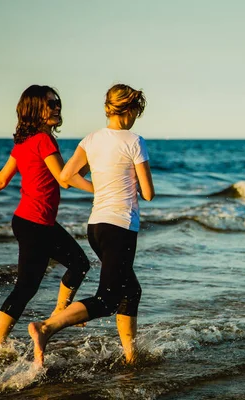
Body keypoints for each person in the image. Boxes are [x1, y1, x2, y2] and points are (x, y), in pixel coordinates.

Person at [0, 85, 93, 357]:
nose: (57, 107)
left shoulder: (26, 141)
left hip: (30, 222)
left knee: (72, 265)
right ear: (35, 110)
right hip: (35, 224)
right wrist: (101, 186)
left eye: (57, 102)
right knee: (34, 282)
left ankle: (53, 316)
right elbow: (65, 179)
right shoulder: (43, 140)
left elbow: (3, 179)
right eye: (50, 103)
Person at [28, 83, 155, 367]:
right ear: (130, 108)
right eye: (137, 111)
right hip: (120, 227)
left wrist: (97, 187)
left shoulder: (92, 139)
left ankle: (131, 357)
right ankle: (46, 328)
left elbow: (65, 176)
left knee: (131, 290)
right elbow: (147, 193)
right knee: (108, 299)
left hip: (96, 227)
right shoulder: (134, 141)